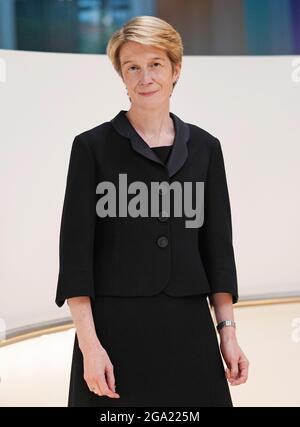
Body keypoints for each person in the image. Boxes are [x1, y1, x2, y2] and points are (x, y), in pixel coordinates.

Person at [55, 15, 249, 407]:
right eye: (133, 67)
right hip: (115, 332)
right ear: (121, 77)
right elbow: (75, 260)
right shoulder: (91, 149)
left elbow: (218, 250)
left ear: (176, 69)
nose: (145, 77)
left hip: (189, 330)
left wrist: (227, 333)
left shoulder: (206, 149)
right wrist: (90, 348)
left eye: (156, 64)